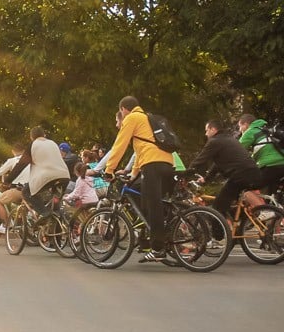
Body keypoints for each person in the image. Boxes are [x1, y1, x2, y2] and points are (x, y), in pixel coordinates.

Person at [103, 96, 176, 261]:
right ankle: (166, 234)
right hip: (166, 163)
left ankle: (158, 248)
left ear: (123, 109)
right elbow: (141, 151)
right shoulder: (147, 118)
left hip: (153, 165)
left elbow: (119, 145)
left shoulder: (132, 118)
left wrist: (109, 170)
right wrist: (133, 174)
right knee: (147, 200)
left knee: (153, 205)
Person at [188, 119, 263, 219]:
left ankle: (219, 235)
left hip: (240, 176)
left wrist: (185, 174)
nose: (206, 134)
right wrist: (206, 178)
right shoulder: (229, 139)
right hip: (252, 172)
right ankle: (240, 226)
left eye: (207, 130)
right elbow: (217, 165)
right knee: (228, 205)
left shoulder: (215, 141)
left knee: (217, 208)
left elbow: (200, 160)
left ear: (213, 129)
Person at [3, 127, 70, 217]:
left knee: (26, 192)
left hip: (47, 177)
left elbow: (21, 165)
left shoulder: (33, 145)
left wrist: (7, 181)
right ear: (44, 135)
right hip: (64, 176)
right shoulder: (53, 143)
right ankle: (58, 224)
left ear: (31, 137)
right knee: (54, 206)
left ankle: (44, 214)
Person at [0, 143, 30, 233]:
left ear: (13, 151)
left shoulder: (13, 160)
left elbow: (0, 171)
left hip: (20, 189)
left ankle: (4, 225)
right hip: (33, 188)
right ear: (24, 151)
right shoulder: (31, 160)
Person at [238, 113, 284, 191]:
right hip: (281, 163)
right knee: (270, 196)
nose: (239, 129)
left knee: (246, 189)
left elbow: (236, 150)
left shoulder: (251, 131)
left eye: (240, 126)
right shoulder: (267, 130)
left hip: (270, 165)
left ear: (245, 124)